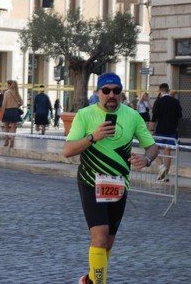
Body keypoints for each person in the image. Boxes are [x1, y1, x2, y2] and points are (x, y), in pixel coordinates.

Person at [63, 72, 158, 284]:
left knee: (108, 241)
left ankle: (90, 280)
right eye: (106, 91)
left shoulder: (132, 116)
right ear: (98, 93)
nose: (111, 95)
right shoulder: (85, 115)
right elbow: (67, 150)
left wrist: (147, 159)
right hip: (91, 181)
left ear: (121, 94)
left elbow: (152, 147)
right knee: (99, 236)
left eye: (116, 90)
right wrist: (93, 137)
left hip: (118, 184)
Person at [150, 83, 182, 182]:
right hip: (172, 131)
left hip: (160, 130)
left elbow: (154, 117)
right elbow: (179, 116)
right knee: (168, 151)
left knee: (154, 149)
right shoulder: (176, 102)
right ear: (168, 90)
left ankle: (161, 167)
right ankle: (166, 174)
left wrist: (151, 130)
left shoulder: (158, 102)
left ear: (160, 91)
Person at [0, 80, 23, 148]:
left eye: (7, 84)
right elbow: (21, 102)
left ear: (9, 85)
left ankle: (6, 140)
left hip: (7, 110)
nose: (6, 86)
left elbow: (4, 104)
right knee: (13, 127)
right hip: (15, 110)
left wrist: (2, 113)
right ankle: (12, 139)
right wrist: (17, 105)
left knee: (6, 126)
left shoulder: (6, 93)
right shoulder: (16, 93)